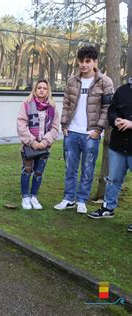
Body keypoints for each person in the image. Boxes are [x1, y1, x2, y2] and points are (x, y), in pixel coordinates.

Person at [54, 46, 114, 214]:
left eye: (88, 61)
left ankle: (81, 200)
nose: (84, 64)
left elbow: (107, 108)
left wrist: (98, 130)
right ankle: (68, 199)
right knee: (70, 168)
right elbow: (66, 104)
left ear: (95, 62)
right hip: (71, 132)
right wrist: (64, 126)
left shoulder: (105, 82)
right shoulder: (72, 81)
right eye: (81, 61)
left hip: (90, 134)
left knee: (87, 169)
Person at [87, 82, 132, 231]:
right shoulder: (122, 90)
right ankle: (108, 208)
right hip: (118, 146)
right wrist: (115, 120)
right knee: (113, 179)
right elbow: (111, 111)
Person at [17, 80, 59, 210]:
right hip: (29, 145)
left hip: (44, 146)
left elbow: (55, 127)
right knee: (27, 171)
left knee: (39, 172)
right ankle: (25, 197)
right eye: (39, 88)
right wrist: (33, 142)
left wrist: (45, 142)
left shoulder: (52, 107)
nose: (41, 90)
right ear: (35, 90)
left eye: (44, 88)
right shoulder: (26, 104)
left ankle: (33, 196)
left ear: (48, 91)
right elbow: (21, 124)